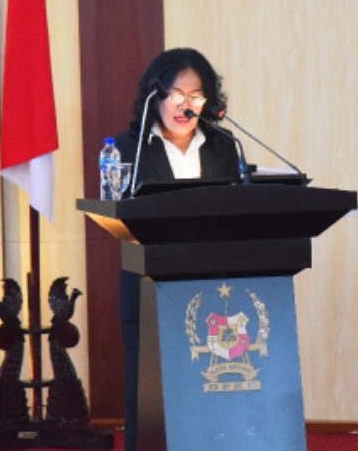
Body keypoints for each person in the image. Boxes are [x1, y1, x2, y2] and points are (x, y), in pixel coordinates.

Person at [113, 48, 240, 451]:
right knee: (150, 403)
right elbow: (118, 216)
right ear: (156, 96)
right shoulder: (127, 148)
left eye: (196, 96)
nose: (186, 105)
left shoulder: (224, 146)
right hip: (149, 290)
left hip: (213, 290)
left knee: (212, 395)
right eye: (176, 94)